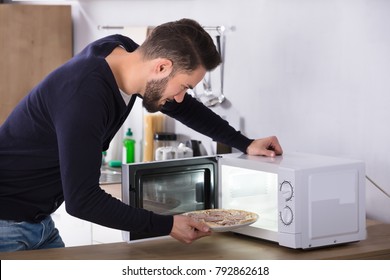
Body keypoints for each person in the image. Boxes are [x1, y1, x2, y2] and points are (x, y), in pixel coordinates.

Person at [0, 18, 282, 252]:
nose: (181, 97)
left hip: (36, 222)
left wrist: (245, 143)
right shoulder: (85, 97)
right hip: (6, 225)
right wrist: (167, 225)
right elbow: (83, 201)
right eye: (183, 86)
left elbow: (185, 109)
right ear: (161, 67)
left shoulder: (123, 54)